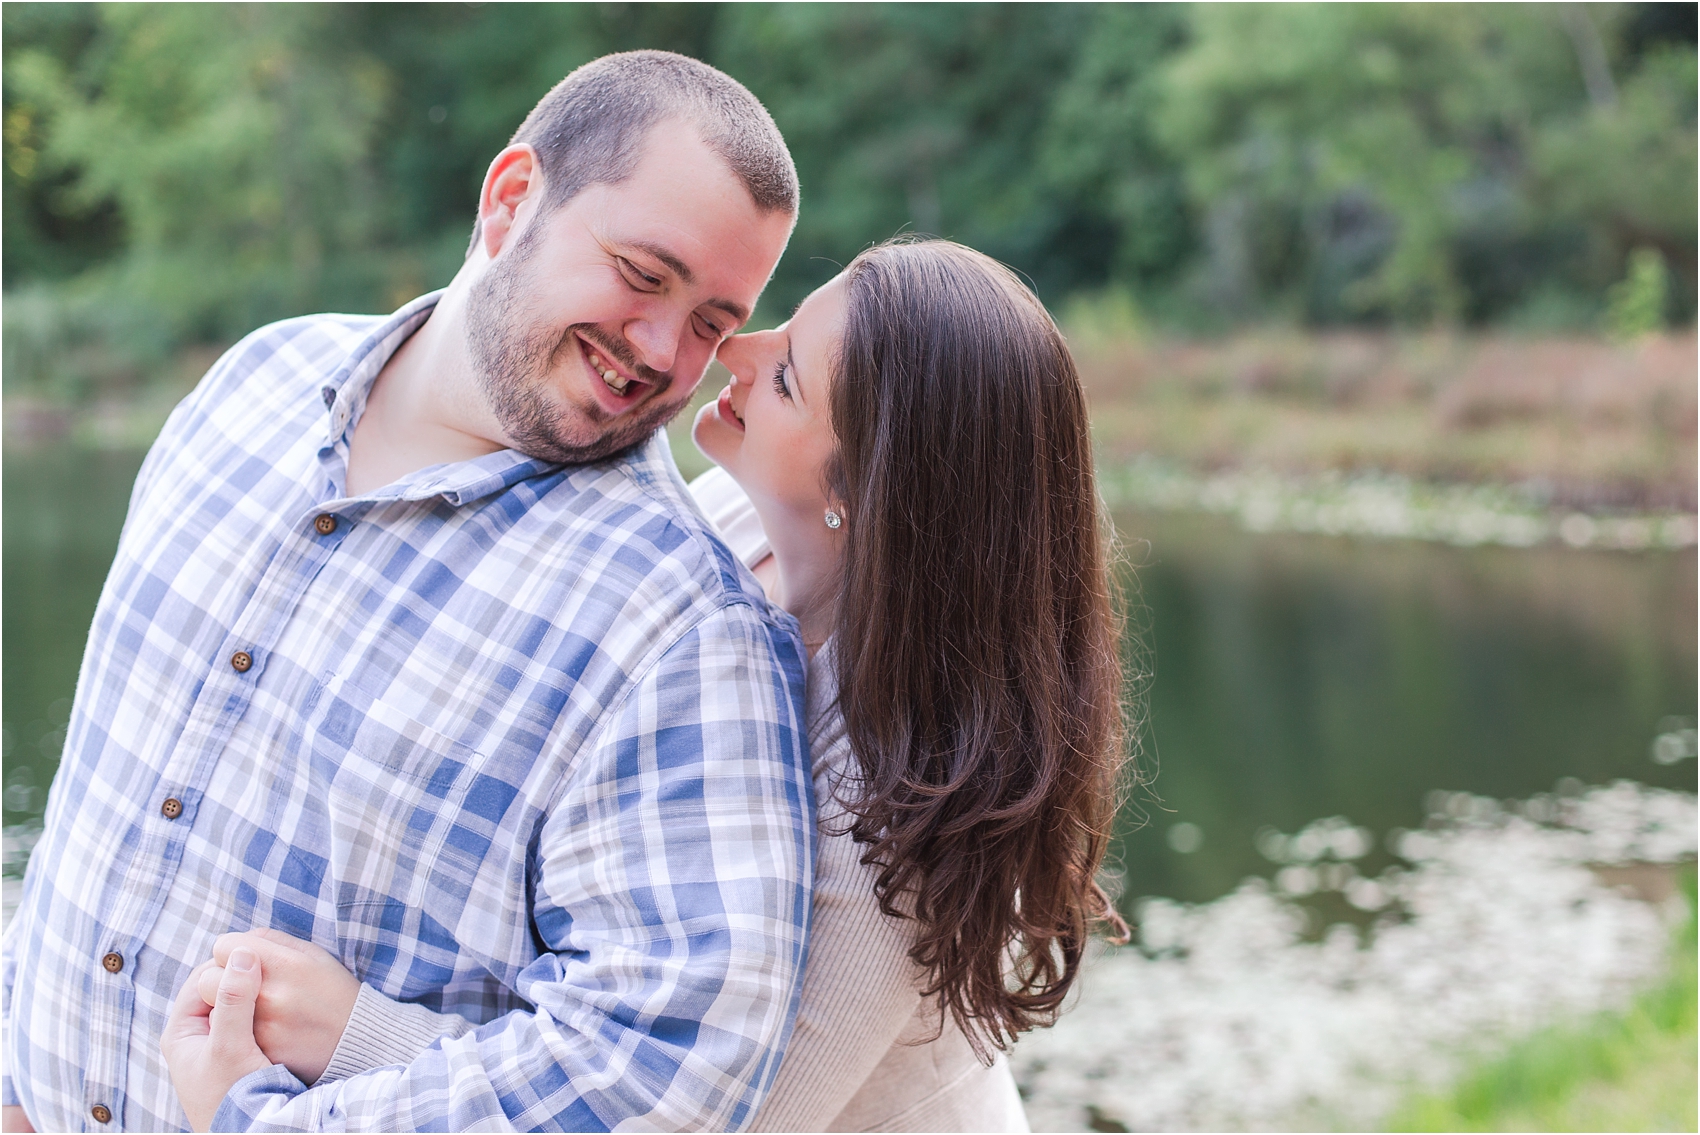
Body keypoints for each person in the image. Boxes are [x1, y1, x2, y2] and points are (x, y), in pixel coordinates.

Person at [1, 52, 818, 1133]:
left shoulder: (678, 628)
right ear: (512, 198)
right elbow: (102, 793)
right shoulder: (258, 381)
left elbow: (659, 1070)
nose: (664, 352)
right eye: (641, 273)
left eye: (713, 320)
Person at [168, 238, 1130, 1131]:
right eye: (778, 324)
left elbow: (708, 1112)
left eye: (786, 376)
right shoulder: (724, 526)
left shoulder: (891, 811)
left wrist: (355, 1040)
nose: (737, 352)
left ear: (862, 489)